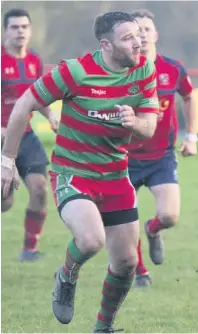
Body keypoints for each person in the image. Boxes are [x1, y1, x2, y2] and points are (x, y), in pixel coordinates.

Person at [0, 11, 159, 332]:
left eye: (138, 35)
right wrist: (6, 161)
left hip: (115, 175)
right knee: (90, 241)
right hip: (74, 173)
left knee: (127, 262)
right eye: (128, 38)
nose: (138, 42)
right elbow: (24, 104)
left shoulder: (145, 69)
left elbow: (149, 126)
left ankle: (103, 327)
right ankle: (66, 275)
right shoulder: (75, 72)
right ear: (106, 45)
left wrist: (135, 123)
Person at [129, 9, 198, 288]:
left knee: (170, 216)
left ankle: (153, 230)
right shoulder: (122, 72)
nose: (142, 34)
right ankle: (140, 272)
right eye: (136, 31)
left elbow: (189, 96)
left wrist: (191, 135)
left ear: (156, 34)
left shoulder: (173, 69)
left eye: (146, 29)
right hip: (126, 157)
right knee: (126, 221)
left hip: (161, 157)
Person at [1, 8, 59, 262]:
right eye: (14, 27)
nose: (20, 31)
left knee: (39, 188)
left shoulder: (34, 61)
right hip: (2, 139)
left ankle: (29, 249)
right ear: (5, 30)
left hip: (25, 136)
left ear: (30, 30)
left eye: (24, 27)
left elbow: (40, 96)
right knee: (5, 200)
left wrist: (52, 116)